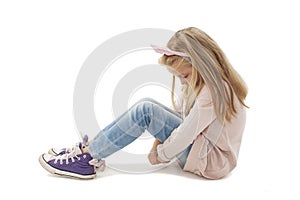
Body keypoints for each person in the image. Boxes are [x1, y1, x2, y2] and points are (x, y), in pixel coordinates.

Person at [38, 27, 248, 180]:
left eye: (184, 75)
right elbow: (185, 120)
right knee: (147, 105)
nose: (183, 81)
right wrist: (161, 140)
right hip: (204, 151)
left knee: (146, 111)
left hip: (210, 161)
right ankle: (90, 150)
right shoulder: (212, 85)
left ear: (201, 65)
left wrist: (161, 154)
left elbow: (186, 132)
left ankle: (88, 157)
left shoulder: (213, 91)